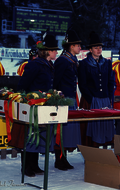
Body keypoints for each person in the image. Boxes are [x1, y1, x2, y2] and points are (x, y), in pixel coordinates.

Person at [16, 33, 60, 177]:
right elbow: (23, 84)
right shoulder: (35, 64)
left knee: (39, 135)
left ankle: (34, 165)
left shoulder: (49, 65)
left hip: (44, 106)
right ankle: (26, 166)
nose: (56, 52)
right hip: (33, 105)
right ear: (47, 51)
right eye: (54, 50)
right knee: (31, 135)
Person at [78, 31, 115, 147]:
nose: (99, 50)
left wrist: (109, 97)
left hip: (104, 99)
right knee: (90, 128)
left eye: (100, 48)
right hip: (91, 100)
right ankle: (90, 153)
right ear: (90, 49)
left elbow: (110, 81)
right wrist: (90, 99)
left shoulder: (107, 63)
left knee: (104, 128)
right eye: (96, 48)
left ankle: (102, 153)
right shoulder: (83, 64)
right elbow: (82, 84)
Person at [53, 29, 82, 170]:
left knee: (67, 131)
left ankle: (64, 158)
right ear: (71, 46)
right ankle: (59, 160)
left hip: (71, 99)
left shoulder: (71, 60)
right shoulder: (62, 61)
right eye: (78, 45)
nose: (80, 48)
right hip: (63, 100)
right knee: (61, 131)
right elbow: (56, 82)